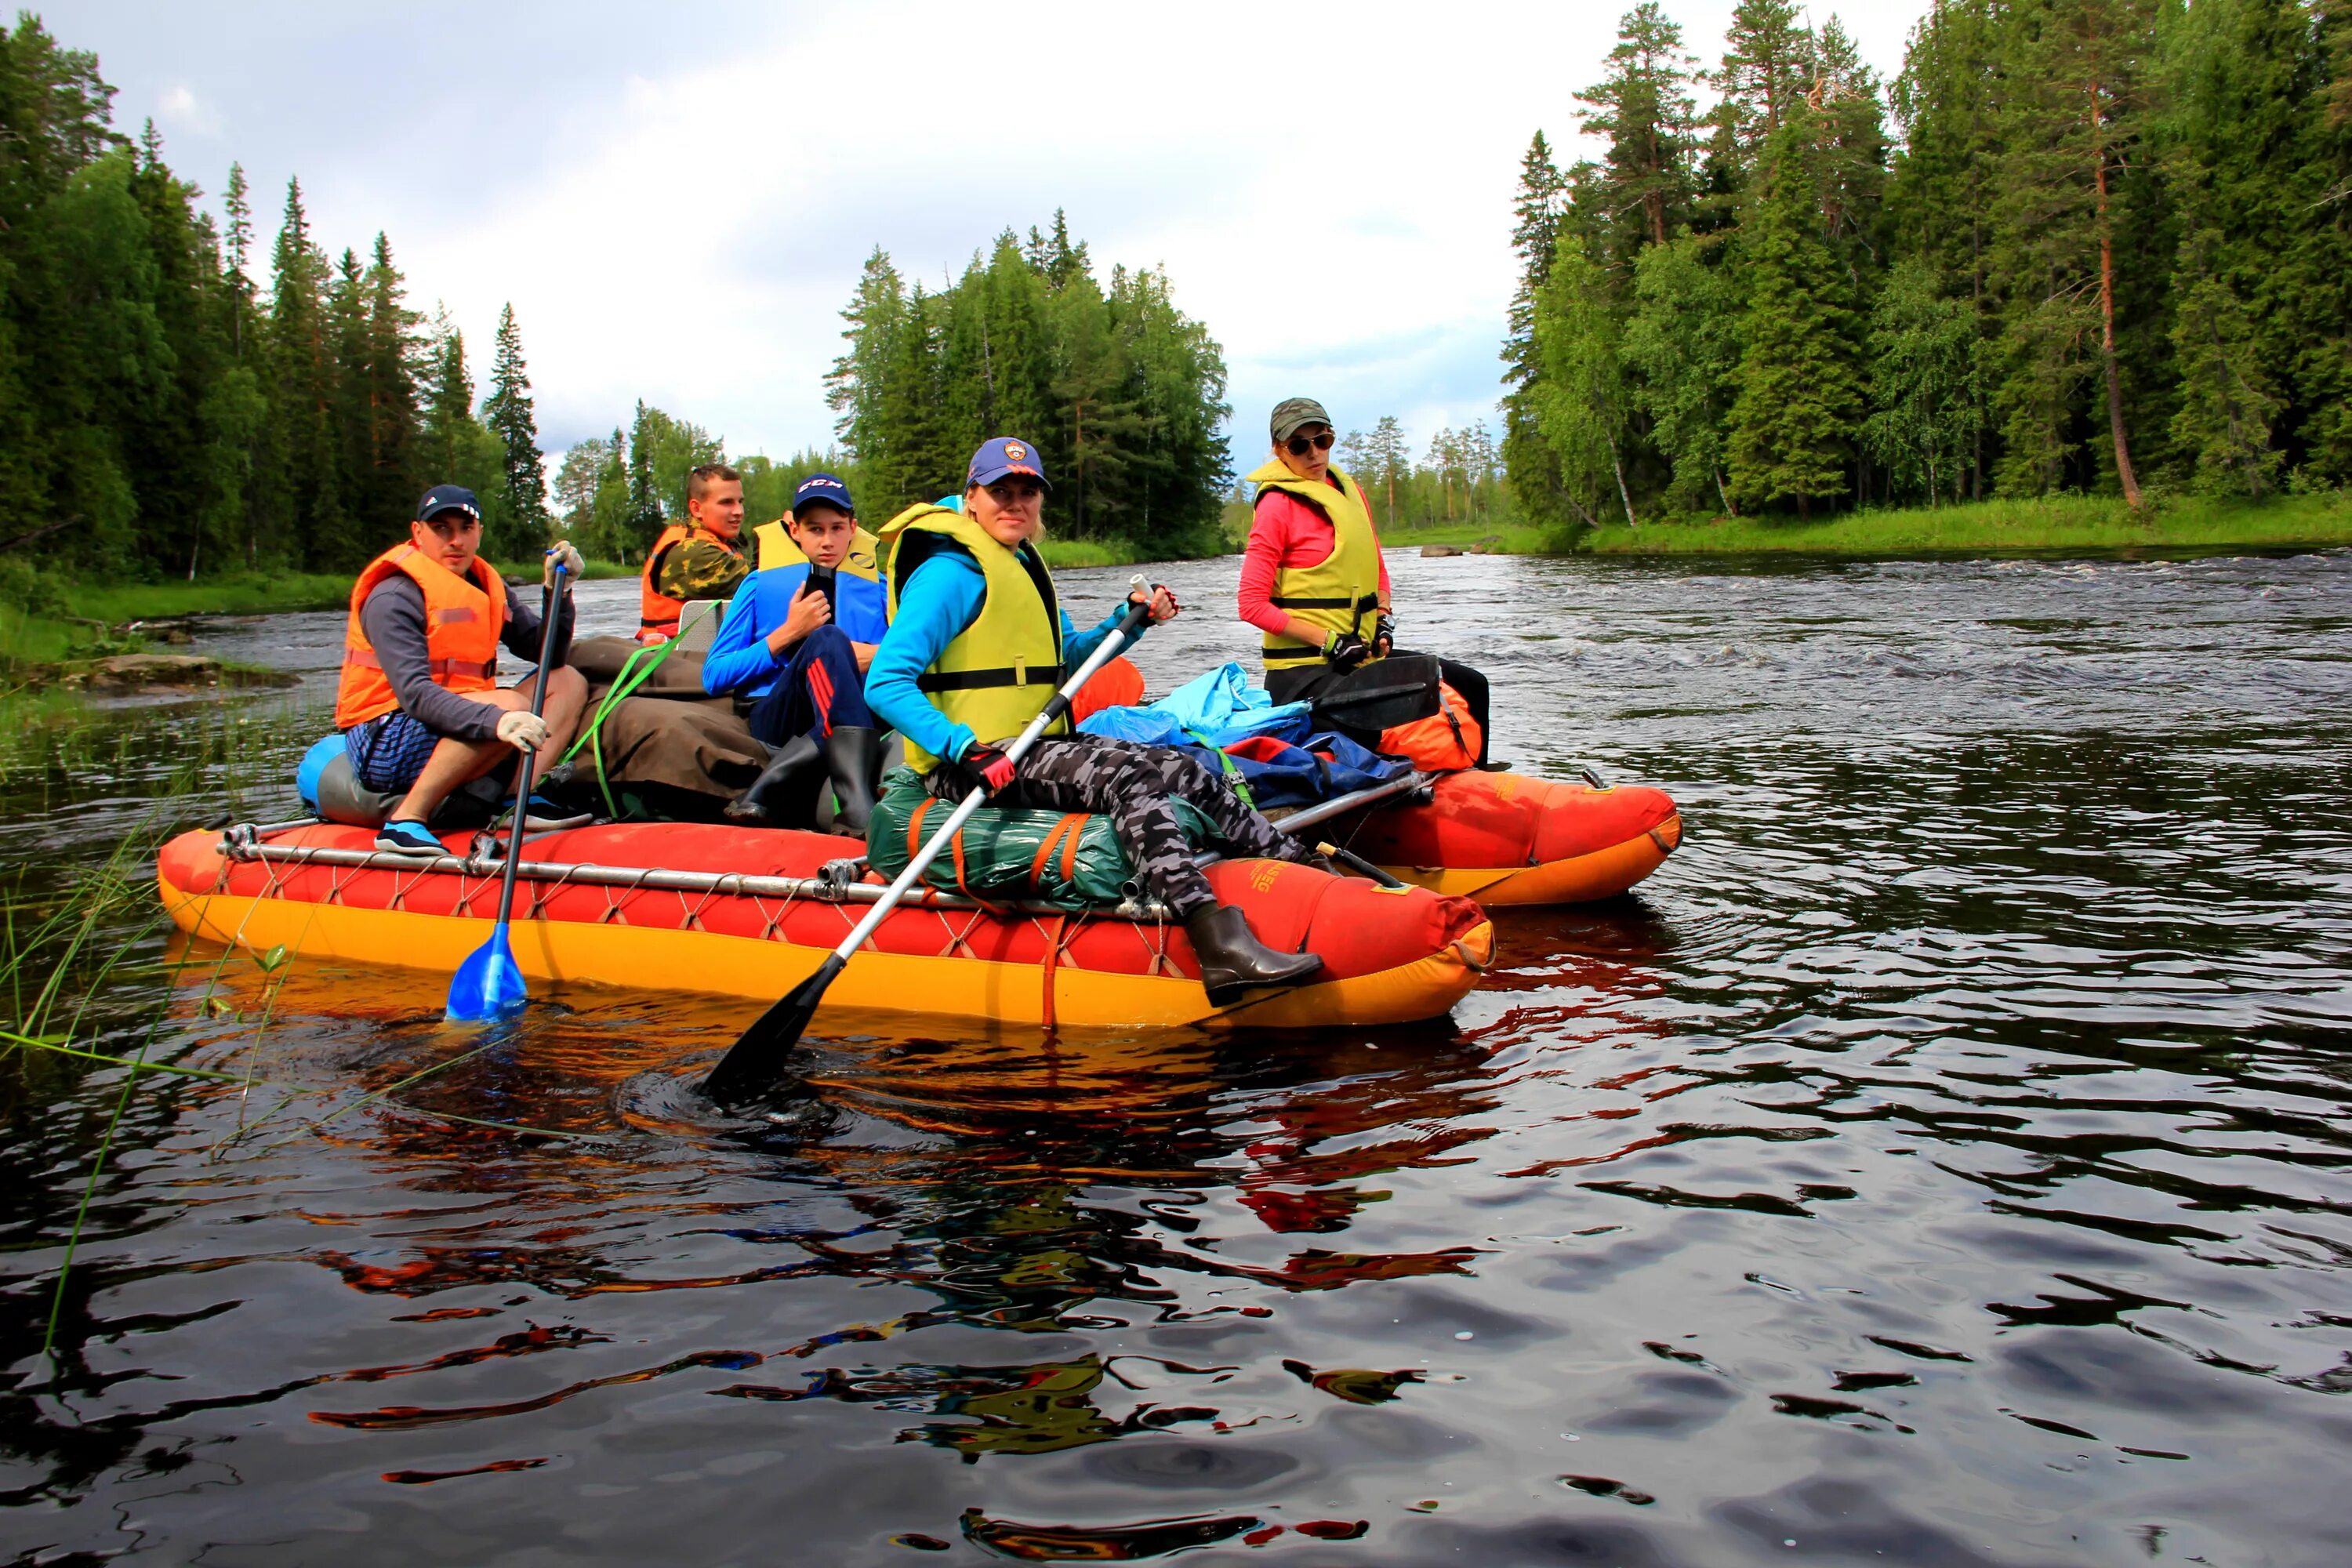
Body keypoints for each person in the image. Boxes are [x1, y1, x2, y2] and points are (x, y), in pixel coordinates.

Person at [866, 437, 1327, 1005]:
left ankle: (1292, 866)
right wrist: (964, 748)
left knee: (1179, 765)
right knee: (1127, 776)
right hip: (972, 763)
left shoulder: (1022, 563)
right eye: (1000, 492)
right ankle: (1215, 941)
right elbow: (884, 683)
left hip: (1031, 749)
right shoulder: (947, 576)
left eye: (1028, 493)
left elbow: (1071, 656)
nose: (1015, 503)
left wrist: (1130, 623)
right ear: (971, 498)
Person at [1239, 397, 1495, 766]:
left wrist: (1384, 620)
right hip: (1302, 673)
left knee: (1471, 684)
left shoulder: (1350, 493)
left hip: (1357, 660)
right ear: (1280, 450)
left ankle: (1478, 783)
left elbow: (1377, 568)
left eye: (1322, 440)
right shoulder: (1276, 507)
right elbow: (1251, 605)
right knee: (1381, 712)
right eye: (1299, 445)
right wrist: (1330, 642)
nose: (1314, 453)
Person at [334, 485, 587, 855]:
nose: (455, 540)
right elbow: (416, 695)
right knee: (509, 704)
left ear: (479, 533)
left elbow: (548, 653)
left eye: (465, 528)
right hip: (383, 736)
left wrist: (559, 592)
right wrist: (495, 721)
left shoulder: (486, 584)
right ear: (418, 532)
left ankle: (514, 802)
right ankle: (405, 821)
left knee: (567, 681)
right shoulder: (392, 596)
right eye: (441, 529)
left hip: (449, 718)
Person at [702, 472, 892, 831]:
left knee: (835, 646)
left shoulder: (881, 590)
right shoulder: (759, 585)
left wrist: (869, 656)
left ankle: (770, 784)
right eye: (815, 530)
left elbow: (910, 663)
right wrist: (789, 633)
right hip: (778, 714)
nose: (827, 541)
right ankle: (856, 804)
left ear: (853, 528)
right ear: (795, 531)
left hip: (851, 712)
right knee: (829, 638)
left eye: (837, 528)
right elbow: (714, 676)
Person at [637, 461, 752, 644]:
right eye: (726, 503)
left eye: (740, 502)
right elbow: (765, 580)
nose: (738, 511)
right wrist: (789, 533)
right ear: (697, 509)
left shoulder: (712, 542)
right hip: (675, 657)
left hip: (701, 651)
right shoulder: (692, 553)